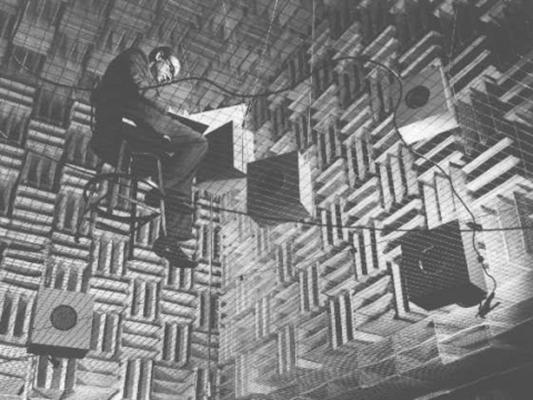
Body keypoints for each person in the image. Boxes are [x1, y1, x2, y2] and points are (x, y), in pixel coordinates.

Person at [91, 46, 208, 269]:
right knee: (198, 142)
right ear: (158, 57)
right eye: (170, 68)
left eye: (173, 75)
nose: (169, 77)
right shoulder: (135, 57)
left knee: (184, 165)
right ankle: (161, 190)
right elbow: (141, 90)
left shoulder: (149, 80)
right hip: (123, 121)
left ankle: (171, 238)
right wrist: (169, 113)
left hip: (136, 128)